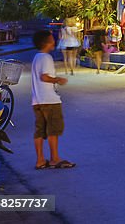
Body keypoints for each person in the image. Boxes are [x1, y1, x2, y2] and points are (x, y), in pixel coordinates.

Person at [31, 30, 73, 169]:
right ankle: (55, 159)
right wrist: (58, 79)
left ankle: (40, 160)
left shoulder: (36, 57)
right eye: (51, 39)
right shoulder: (46, 58)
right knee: (53, 130)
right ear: (47, 42)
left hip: (37, 100)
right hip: (49, 100)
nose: (54, 41)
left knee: (39, 131)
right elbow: (44, 77)